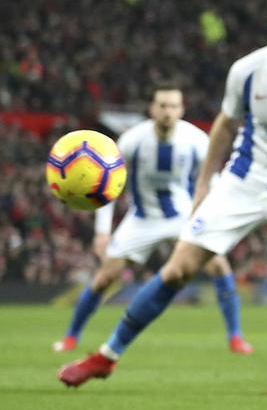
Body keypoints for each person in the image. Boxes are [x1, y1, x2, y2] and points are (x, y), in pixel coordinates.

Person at [58, 0, 267, 397]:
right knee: (177, 271)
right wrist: (205, 184)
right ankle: (106, 356)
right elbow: (224, 126)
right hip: (241, 182)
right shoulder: (247, 71)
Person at [53, 86, 252, 355]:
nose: (167, 112)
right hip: (142, 219)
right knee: (104, 277)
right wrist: (102, 232)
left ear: (181, 110)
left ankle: (236, 337)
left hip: (182, 215)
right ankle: (71, 337)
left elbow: (211, 179)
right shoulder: (132, 140)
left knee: (219, 265)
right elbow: (107, 186)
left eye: (173, 106)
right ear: (152, 108)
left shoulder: (196, 140)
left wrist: (210, 217)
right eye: (162, 106)